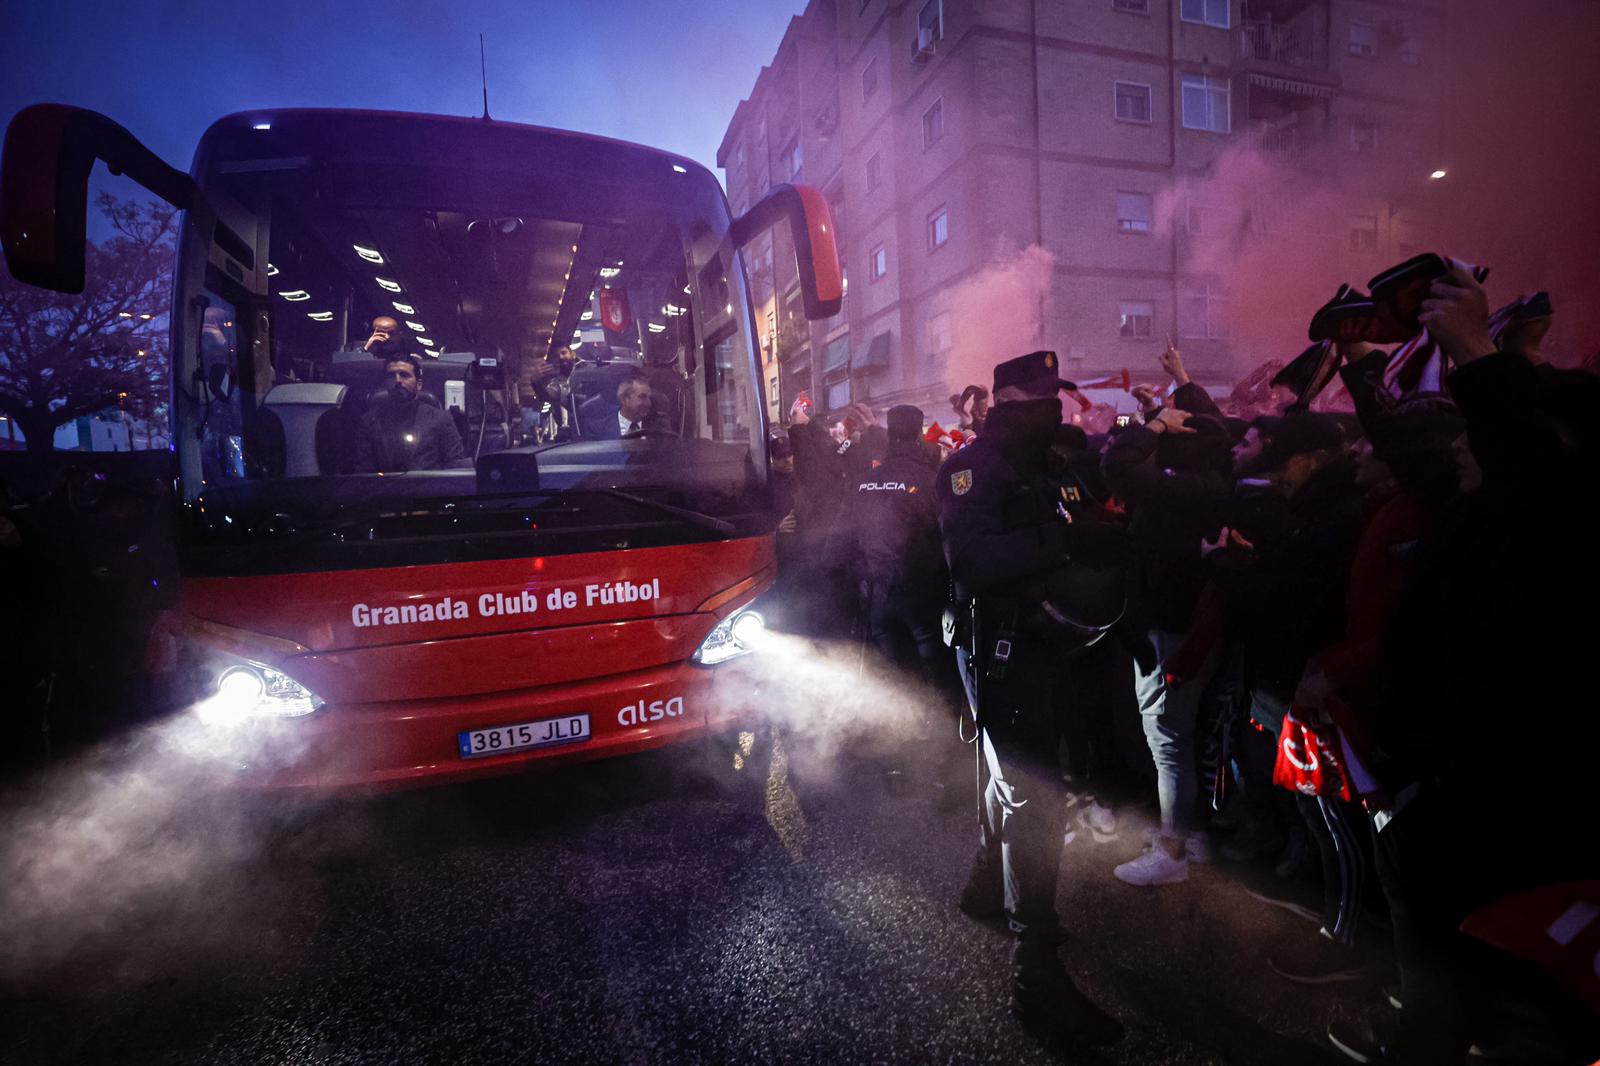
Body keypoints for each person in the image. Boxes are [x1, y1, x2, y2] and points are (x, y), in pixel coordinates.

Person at [937, 350, 1124, 1048]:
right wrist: (1068, 538)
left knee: (1008, 776)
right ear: (1006, 398)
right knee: (1033, 794)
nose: (1054, 407)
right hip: (998, 644)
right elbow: (977, 561)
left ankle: (988, 885)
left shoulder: (1046, 463)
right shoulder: (973, 466)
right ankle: (1034, 972)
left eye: (1058, 395)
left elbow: (1084, 514)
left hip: (1045, 642)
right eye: (1039, 396)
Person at [852, 404, 946, 687]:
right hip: (922, 596)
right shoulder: (933, 481)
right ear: (919, 433)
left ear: (890, 433)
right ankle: (936, 728)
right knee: (935, 680)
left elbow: (843, 537)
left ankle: (902, 729)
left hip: (877, 593)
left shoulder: (863, 482)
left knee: (897, 682)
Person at [355, 354, 465, 472]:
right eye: (391, 376)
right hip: (384, 488)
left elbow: (455, 467)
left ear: (419, 384)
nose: (397, 381)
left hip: (429, 488)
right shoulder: (369, 421)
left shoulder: (441, 419)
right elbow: (363, 471)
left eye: (404, 375)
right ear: (385, 383)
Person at [579, 369, 667, 439]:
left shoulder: (659, 428)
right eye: (642, 397)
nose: (649, 403)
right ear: (625, 399)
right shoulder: (598, 431)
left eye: (649, 398)